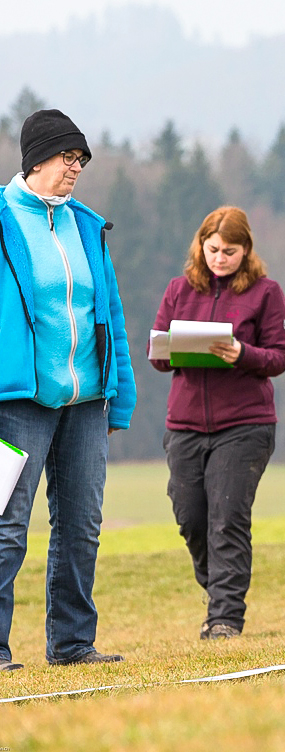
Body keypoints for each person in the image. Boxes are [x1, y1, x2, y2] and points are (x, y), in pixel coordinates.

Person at [0, 109, 137, 668]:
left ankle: (73, 643)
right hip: (18, 404)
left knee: (81, 527)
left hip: (86, 402)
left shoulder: (85, 225)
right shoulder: (3, 219)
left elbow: (111, 315)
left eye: (81, 159)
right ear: (36, 159)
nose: (76, 168)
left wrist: (119, 395)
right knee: (6, 526)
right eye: (66, 157)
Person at [149, 206, 285, 640]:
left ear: (246, 250)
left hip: (245, 425)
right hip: (185, 425)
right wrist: (170, 349)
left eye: (230, 251)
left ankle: (225, 618)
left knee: (227, 519)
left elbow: (279, 357)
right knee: (191, 518)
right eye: (213, 250)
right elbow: (157, 355)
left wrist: (242, 354)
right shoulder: (178, 289)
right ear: (201, 246)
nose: (220, 258)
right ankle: (219, 594)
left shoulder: (267, 293)